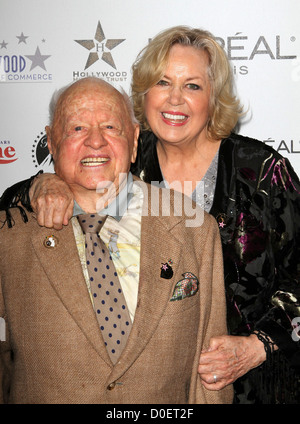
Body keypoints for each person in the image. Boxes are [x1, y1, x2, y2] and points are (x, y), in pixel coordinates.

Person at [1, 26, 300, 404]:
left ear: (214, 98)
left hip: (253, 381)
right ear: (144, 93)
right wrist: (42, 183)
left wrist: (258, 346)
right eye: (163, 82)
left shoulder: (261, 173)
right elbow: (14, 218)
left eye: (192, 86)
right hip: (153, 384)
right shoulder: (120, 155)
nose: (175, 100)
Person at [0, 77, 232, 404]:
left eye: (111, 127)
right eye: (77, 128)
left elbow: (212, 368)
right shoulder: (9, 237)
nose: (95, 142)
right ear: (51, 141)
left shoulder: (194, 228)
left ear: (135, 140)